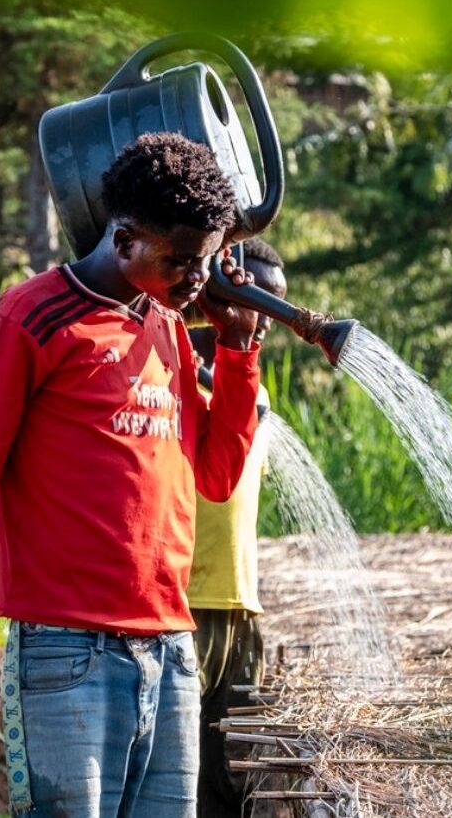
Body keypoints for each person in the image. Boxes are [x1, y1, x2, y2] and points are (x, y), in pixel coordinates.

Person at [0, 132, 264, 818]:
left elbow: (215, 474)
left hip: (171, 649)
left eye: (204, 262)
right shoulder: (33, 317)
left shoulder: (168, 328)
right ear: (124, 241)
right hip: (65, 649)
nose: (196, 280)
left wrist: (236, 351)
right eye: (181, 261)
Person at [184, 236, 284, 817]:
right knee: (181, 767)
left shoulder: (254, 393)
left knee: (234, 769)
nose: (265, 321)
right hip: (182, 603)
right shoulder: (175, 383)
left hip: (240, 608)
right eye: (260, 302)